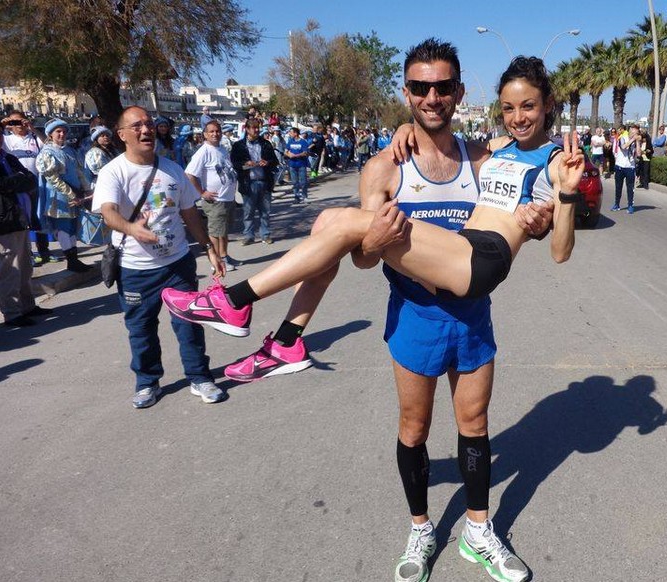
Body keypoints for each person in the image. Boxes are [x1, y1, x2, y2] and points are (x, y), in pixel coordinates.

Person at [162, 45, 582, 582]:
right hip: (419, 312)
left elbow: (558, 240)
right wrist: (383, 217)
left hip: (475, 287)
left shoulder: (501, 156)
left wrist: (562, 203)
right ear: (407, 94)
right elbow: (363, 258)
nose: (433, 97)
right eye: (421, 89)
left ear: (460, 93)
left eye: (443, 88)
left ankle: (242, 307)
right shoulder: (435, 157)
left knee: (472, 422)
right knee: (414, 422)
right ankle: (421, 526)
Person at [92, 106, 226, 408]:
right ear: (122, 134)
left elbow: (189, 213)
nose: (146, 130)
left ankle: (200, 377)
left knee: (189, 324)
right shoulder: (113, 171)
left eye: (149, 124)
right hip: (135, 269)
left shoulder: (172, 169)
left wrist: (209, 248)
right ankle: (147, 383)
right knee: (141, 330)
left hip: (178, 264)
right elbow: (108, 212)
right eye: (137, 126)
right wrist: (131, 229)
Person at [0, 120, 52, 327]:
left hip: (20, 218)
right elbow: (1, 184)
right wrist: (17, 180)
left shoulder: (8, 158)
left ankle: (28, 306)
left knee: (24, 266)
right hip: (3, 222)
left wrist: (17, 180)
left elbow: (30, 178)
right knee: (9, 270)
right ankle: (12, 313)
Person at [35, 119, 93, 273]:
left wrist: (87, 189)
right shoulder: (47, 152)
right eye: (58, 131)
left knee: (72, 226)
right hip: (59, 196)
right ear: (50, 134)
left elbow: (79, 171)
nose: (62, 134)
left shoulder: (69, 150)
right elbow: (53, 178)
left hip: (75, 194)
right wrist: (70, 194)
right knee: (63, 227)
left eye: (64, 131)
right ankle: (71, 261)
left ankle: (74, 260)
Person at [185, 120, 240, 272]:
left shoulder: (222, 149)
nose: (215, 134)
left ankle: (224, 256)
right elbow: (189, 174)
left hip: (228, 198)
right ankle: (216, 261)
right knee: (215, 233)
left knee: (224, 231)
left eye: (217, 131)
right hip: (215, 200)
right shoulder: (203, 151)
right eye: (212, 131)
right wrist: (202, 192)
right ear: (205, 134)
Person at [1, 110, 54, 265]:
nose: (18, 125)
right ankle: (28, 254)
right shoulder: (6, 139)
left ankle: (44, 251)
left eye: (20, 121)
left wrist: (33, 128)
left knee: (38, 217)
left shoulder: (34, 138)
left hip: (35, 184)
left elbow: (50, 144)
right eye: (13, 122)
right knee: (23, 219)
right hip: (17, 187)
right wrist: (2, 125)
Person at [231, 117, 277, 245]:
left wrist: (267, 162)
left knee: (265, 212)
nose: (256, 130)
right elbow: (234, 163)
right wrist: (245, 163)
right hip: (248, 183)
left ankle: (265, 235)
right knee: (248, 212)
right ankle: (248, 236)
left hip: (264, 182)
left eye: (258, 128)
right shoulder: (238, 145)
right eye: (253, 128)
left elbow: (275, 161)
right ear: (247, 129)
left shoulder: (266, 144)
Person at [611, 124, 640, 213]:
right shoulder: (622, 138)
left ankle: (630, 205)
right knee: (618, 187)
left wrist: (638, 142)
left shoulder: (636, 141)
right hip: (620, 166)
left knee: (630, 187)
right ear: (629, 131)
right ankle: (617, 204)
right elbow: (623, 147)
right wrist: (633, 139)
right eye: (633, 133)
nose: (634, 135)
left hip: (630, 167)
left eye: (636, 133)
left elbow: (639, 154)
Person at [284, 127, 310, 203]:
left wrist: (296, 155)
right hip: (292, 165)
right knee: (295, 182)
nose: (290, 134)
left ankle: (304, 196)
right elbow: (286, 151)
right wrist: (289, 155)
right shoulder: (290, 141)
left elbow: (305, 153)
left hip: (301, 164)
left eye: (291, 132)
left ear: (295, 133)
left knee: (303, 182)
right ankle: (296, 197)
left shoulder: (303, 142)